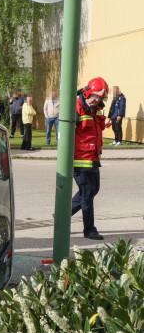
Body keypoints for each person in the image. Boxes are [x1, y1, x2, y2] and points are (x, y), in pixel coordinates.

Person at [71, 77, 111, 240]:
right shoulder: (76, 107)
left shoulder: (95, 109)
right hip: (80, 159)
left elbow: (95, 129)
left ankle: (62, 214)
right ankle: (89, 229)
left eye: (101, 98)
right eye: (95, 96)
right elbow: (66, 134)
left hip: (93, 156)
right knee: (87, 192)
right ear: (87, 92)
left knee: (93, 189)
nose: (97, 100)